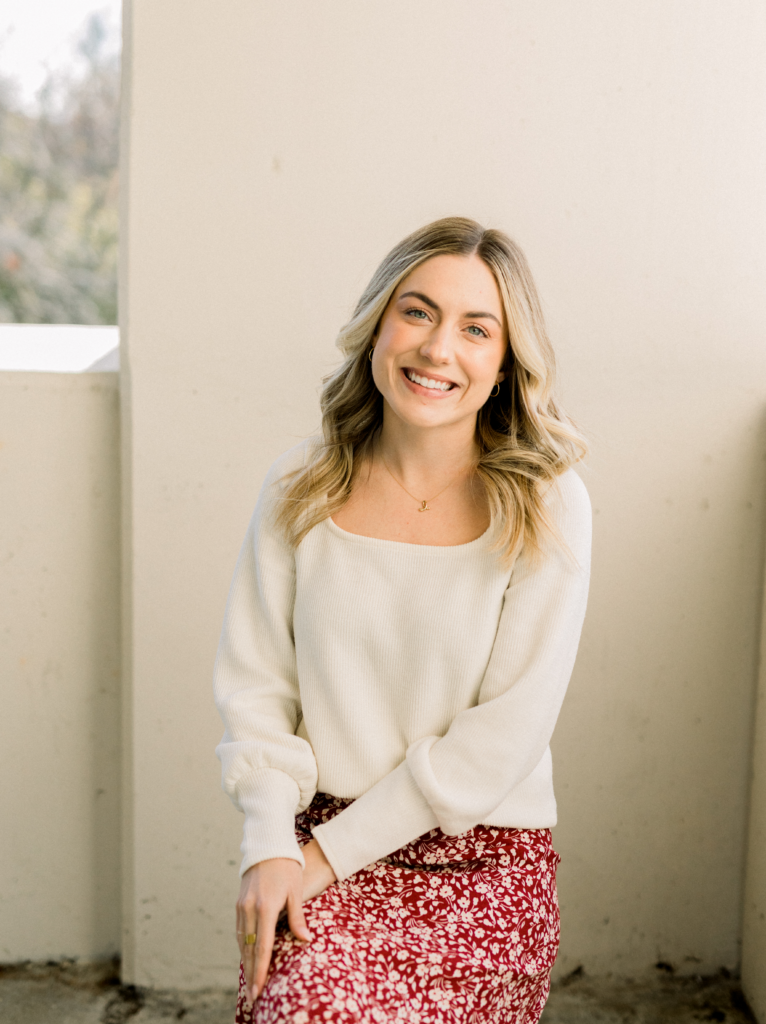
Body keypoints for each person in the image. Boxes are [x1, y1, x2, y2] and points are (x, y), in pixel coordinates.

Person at [213, 217, 591, 1024]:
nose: (437, 348)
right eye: (417, 312)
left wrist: (316, 859)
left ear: (503, 363)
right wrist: (270, 844)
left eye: (476, 328)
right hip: (317, 833)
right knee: (305, 1007)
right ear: (378, 325)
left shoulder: (546, 505)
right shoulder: (298, 489)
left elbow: (502, 738)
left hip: (484, 859)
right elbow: (257, 693)